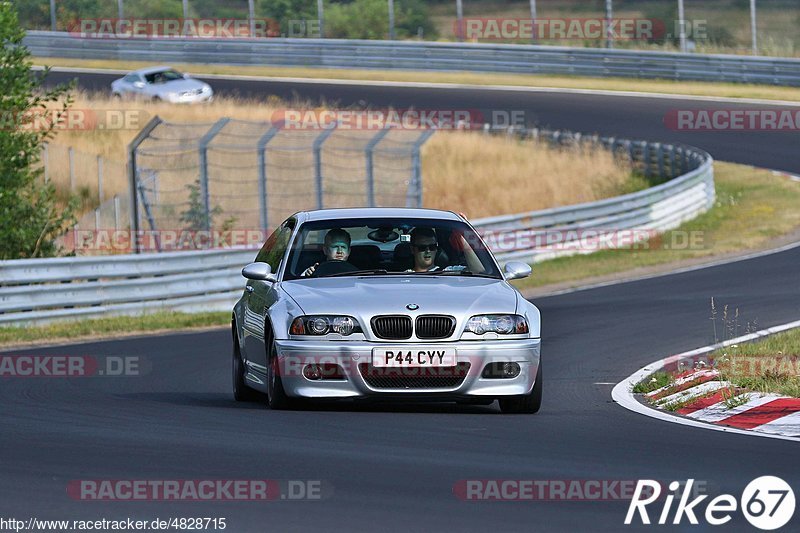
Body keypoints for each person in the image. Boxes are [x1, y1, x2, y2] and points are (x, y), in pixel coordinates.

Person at [407, 227, 484, 274]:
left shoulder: (447, 271)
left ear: (437, 249)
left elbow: (477, 270)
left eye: (432, 247)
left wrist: (461, 239)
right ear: (412, 250)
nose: (428, 251)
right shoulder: (403, 276)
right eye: (422, 248)